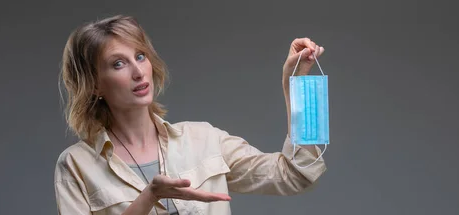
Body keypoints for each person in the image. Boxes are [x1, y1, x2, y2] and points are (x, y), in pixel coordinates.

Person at [54, 14, 327, 215]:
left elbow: (295, 174)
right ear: (95, 84)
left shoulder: (204, 139)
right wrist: (149, 197)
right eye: (118, 63)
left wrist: (296, 85)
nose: (138, 72)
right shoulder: (76, 165)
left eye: (140, 56)